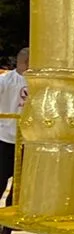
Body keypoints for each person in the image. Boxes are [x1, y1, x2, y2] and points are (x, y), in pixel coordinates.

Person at [0, 46, 26, 208]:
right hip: (5, 138)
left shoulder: (39, 81)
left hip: (28, 140)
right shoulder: (5, 80)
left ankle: (10, 220)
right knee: (1, 179)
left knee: (20, 185)